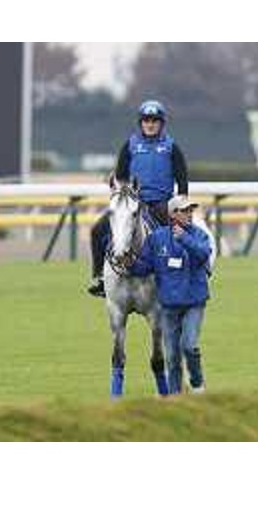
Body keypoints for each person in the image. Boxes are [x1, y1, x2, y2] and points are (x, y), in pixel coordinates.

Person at [88, 99, 189, 297]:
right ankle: (100, 277)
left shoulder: (171, 147)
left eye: (154, 120)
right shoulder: (130, 145)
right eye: (146, 120)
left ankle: (178, 278)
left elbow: (182, 177)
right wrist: (117, 184)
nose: (150, 124)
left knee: (177, 237)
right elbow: (120, 176)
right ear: (140, 123)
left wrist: (181, 203)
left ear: (161, 123)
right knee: (97, 230)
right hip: (134, 203)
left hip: (161, 204)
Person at [129, 195, 212, 394]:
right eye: (185, 211)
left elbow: (203, 254)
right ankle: (175, 398)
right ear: (173, 214)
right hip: (168, 306)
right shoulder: (157, 238)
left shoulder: (199, 235)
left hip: (194, 302)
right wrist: (128, 263)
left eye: (191, 210)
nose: (190, 214)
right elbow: (144, 267)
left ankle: (197, 382)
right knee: (172, 357)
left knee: (189, 346)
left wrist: (183, 238)